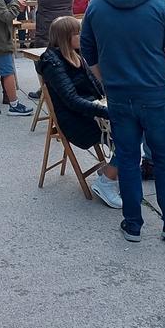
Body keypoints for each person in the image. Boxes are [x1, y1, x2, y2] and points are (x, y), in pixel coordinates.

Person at [80, 0, 165, 243]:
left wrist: (106, 80)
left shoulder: (97, 5)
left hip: (119, 95)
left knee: (128, 159)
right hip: (154, 94)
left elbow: (87, 51)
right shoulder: (158, 5)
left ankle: (132, 225)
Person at [37, 15, 121, 209]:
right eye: (78, 33)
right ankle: (107, 181)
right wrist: (107, 111)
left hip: (89, 113)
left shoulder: (77, 54)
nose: (82, 36)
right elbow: (72, 101)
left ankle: (111, 170)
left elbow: (97, 85)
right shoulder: (53, 63)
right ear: (66, 37)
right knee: (128, 132)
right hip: (77, 122)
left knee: (132, 126)